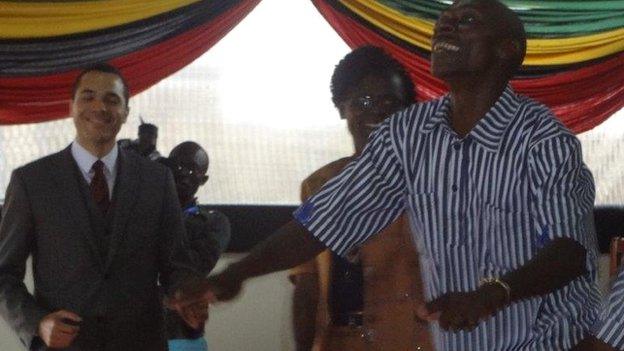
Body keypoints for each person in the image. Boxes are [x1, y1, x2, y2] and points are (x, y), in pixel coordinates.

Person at [173, 1, 601, 349]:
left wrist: (492, 295)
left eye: (465, 21)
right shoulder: (409, 134)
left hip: (549, 342)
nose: (444, 30)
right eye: (443, 22)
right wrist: (235, 274)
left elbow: (568, 252)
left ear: (508, 49)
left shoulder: (544, 140)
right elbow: (326, 221)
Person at [0, 64, 205, 351]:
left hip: (142, 343)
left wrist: (187, 297)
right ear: (71, 107)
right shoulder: (31, 182)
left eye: (112, 99)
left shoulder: (157, 180)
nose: (99, 107)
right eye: (88, 97)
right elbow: (3, 273)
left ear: (125, 113)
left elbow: (177, 264)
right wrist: (37, 324)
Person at [288, 46, 432, 351]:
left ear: (405, 110)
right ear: (342, 107)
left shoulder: (429, 180)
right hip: (338, 341)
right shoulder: (319, 184)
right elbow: (307, 285)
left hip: (410, 340)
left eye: (388, 102)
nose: (376, 111)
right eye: (363, 101)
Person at [160, 142, 231, 351]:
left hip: (180, 334)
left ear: (203, 179)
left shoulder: (214, 222)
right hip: (132, 331)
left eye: (192, 169)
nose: (183, 174)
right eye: (177, 167)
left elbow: (192, 268)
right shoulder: (144, 213)